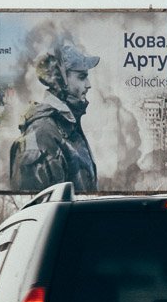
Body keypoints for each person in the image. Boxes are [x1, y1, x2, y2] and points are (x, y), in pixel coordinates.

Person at [9, 40, 100, 192]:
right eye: (82, 77)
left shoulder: (67, 127)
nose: (88, 84)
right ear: (60, 80)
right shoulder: (42, 135)